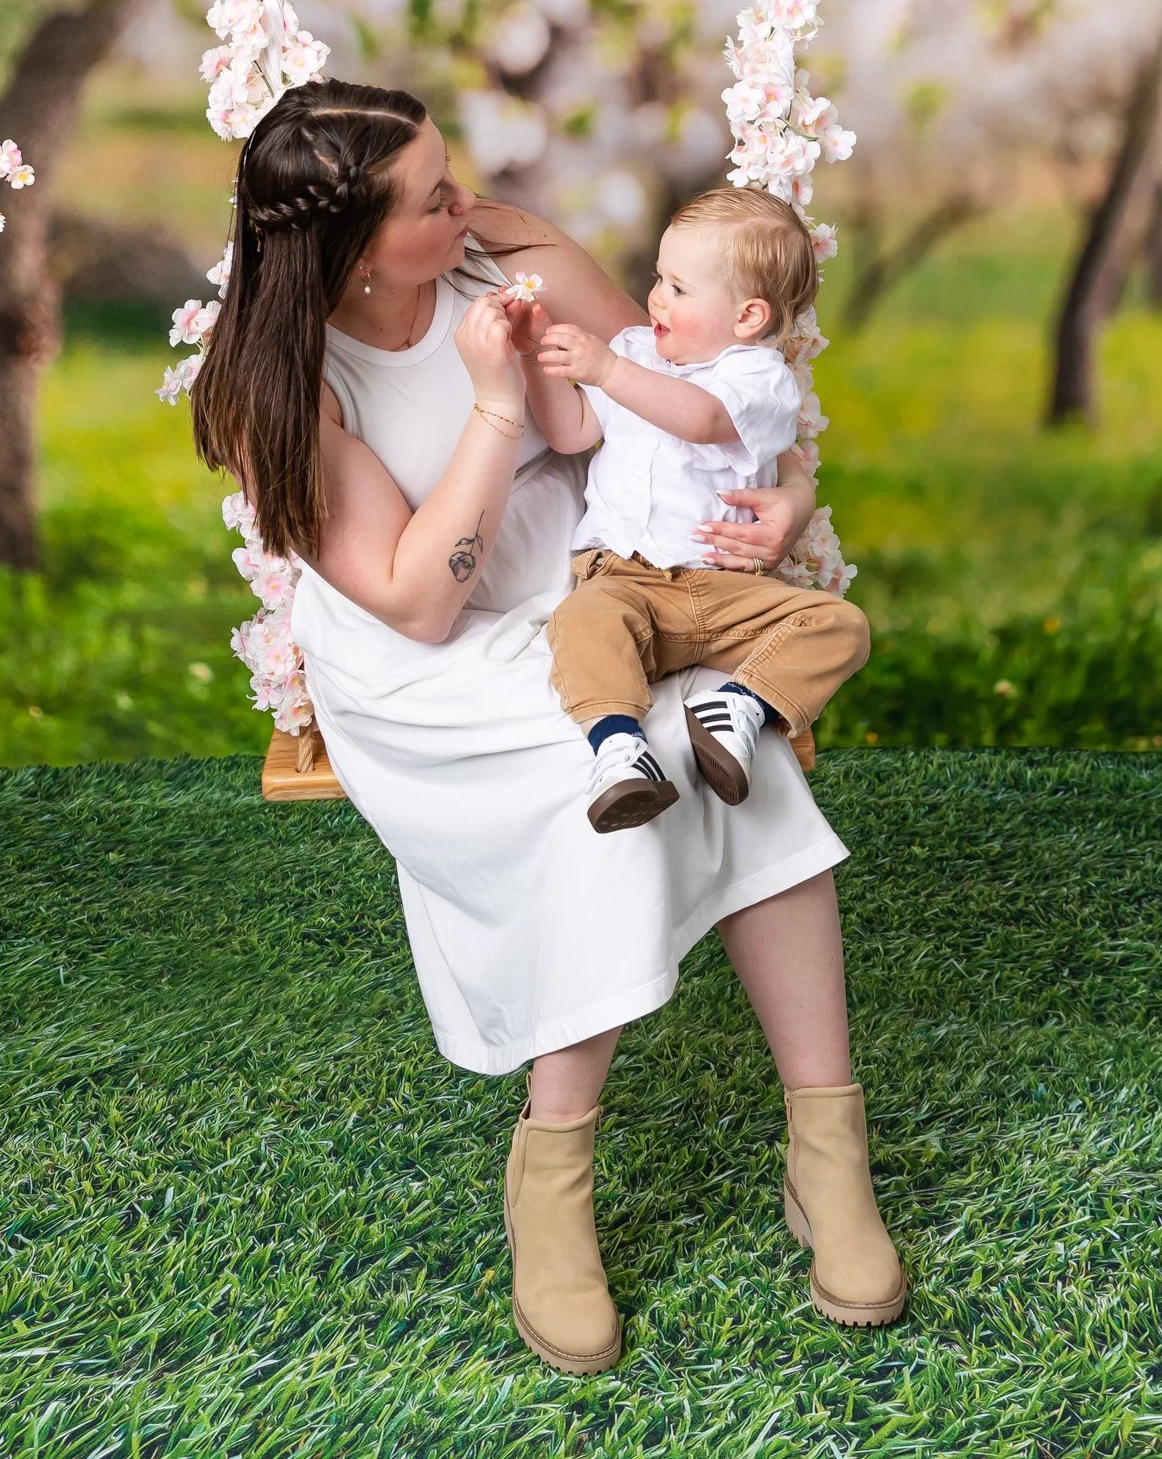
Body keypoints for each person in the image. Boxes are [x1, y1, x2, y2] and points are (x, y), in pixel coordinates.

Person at [192, 79, 907, 1375]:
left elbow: (702, 390)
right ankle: (552, 1170)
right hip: (433, 675)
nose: (466, 205)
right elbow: (415, 601)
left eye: (452, 172)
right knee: (605, 802)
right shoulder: (281, 383)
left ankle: (825, 1141)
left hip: (589, 583)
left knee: (724, 751)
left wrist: (786, 497)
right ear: (352, 247)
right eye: (429, 198)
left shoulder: (496, 251)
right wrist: (498, 404)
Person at [526, 185, 869, 833]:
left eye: (678, 288)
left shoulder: (758, 377)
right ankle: (620, 749)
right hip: (622, 577)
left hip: (720, 588)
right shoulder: (629, 351)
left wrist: (603, 369)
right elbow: (570, 431)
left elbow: (703, 419)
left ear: (746, 318)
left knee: (839, 624)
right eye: (658, 277)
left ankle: (742, 706)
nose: (656, 297)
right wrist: (533, 359)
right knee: (580, 621)